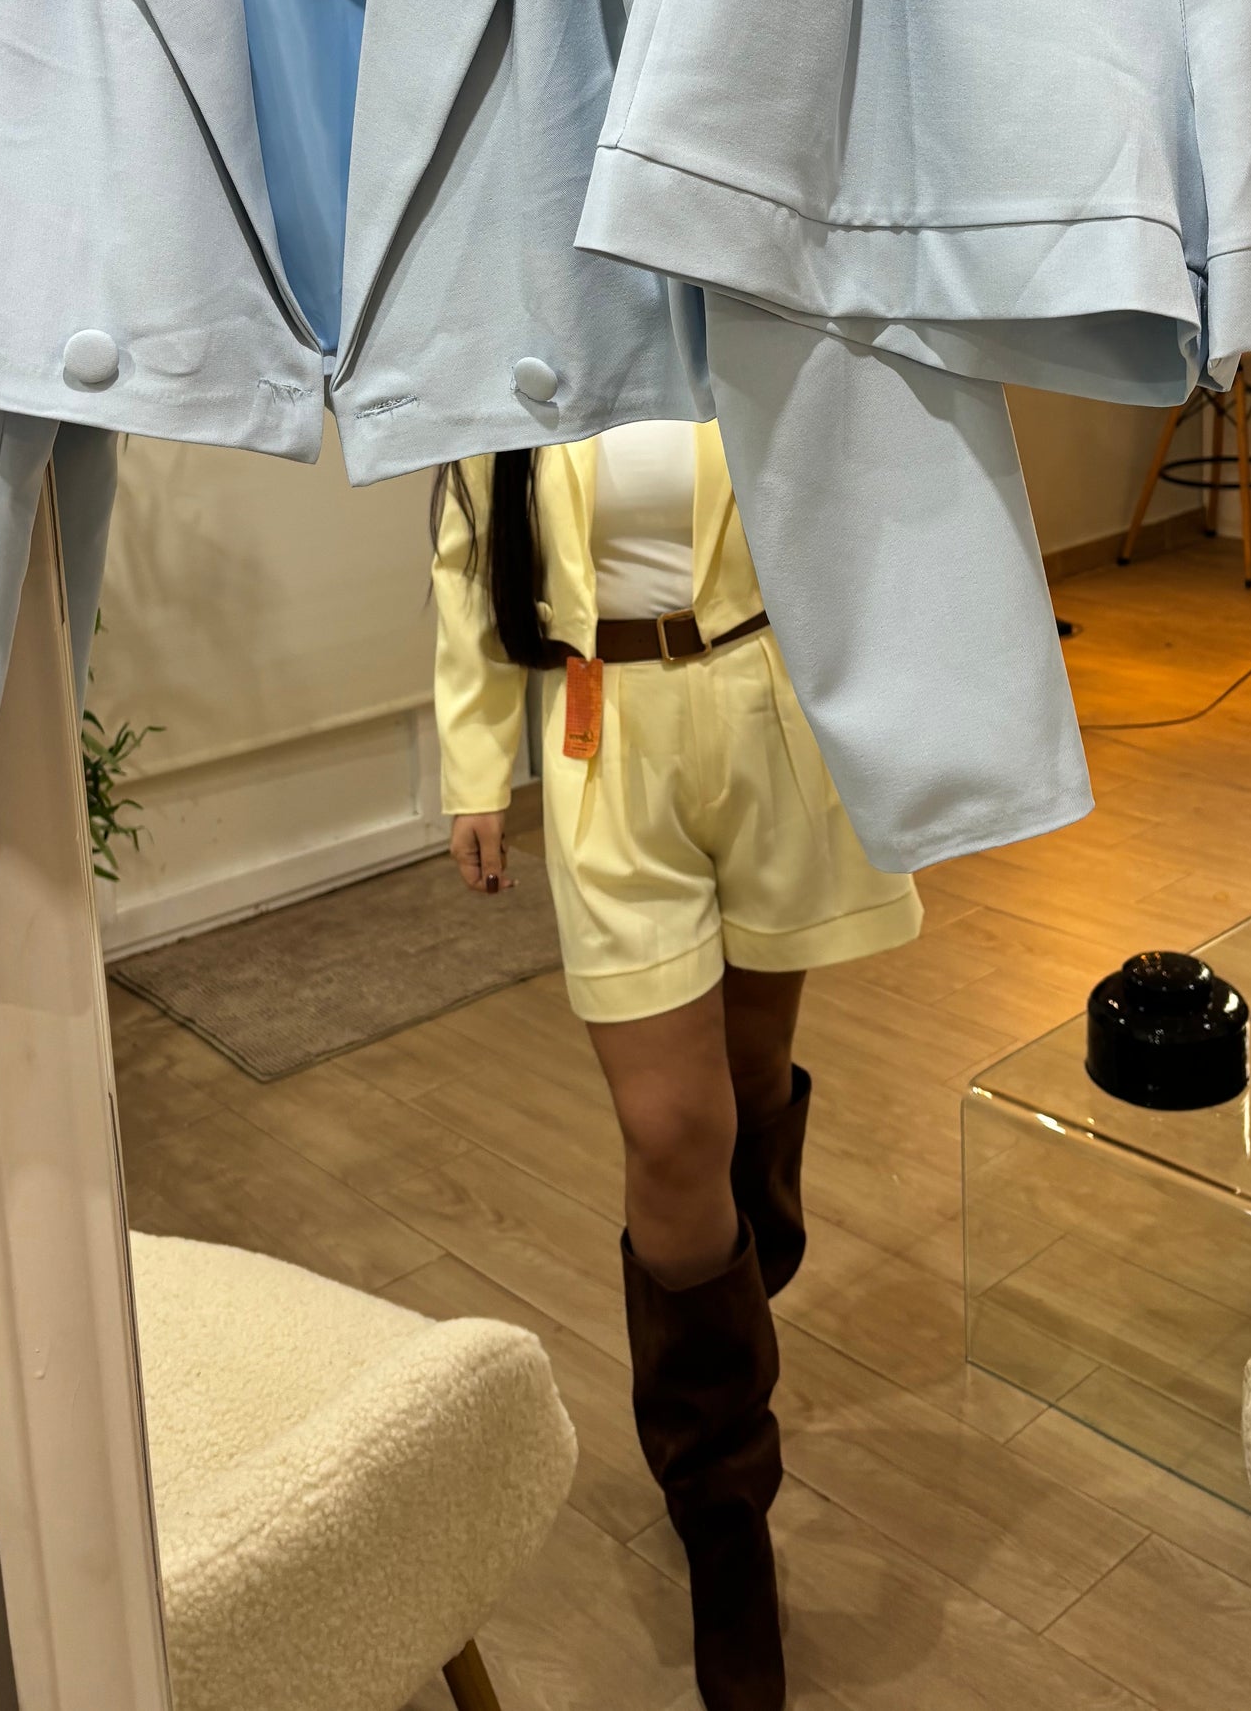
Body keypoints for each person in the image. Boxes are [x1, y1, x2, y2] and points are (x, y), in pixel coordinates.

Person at [431, 419, 921, 1711]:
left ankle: (739, 1281)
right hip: (601, 736)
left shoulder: (744, 311)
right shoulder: (524, 342)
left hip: (767, 713)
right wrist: (474, 768)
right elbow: (467, 552)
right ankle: (721, 1509)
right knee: (671, 1129)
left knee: (750, 1085)